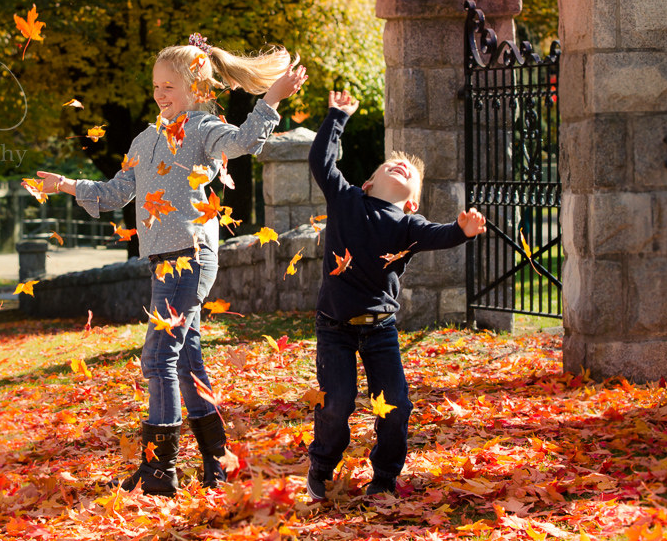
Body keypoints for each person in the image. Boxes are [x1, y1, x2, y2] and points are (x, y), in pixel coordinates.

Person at [33, 33, 307, 496]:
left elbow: (244, 143)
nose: (160, 95)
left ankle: (160, 469)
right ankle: (218, 461)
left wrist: (271, 101)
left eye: (169, 87)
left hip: (192, 256)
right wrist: (66, 185)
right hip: (161, 263)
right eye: (156, 86)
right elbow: (117, 193)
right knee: (186, 364)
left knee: (158, 357)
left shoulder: (203, 128)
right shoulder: (144, 139)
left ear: (197, 89)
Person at [305, 89, 486, 501]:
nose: (400, 166)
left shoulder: (409, 225)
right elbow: (321, 162)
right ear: (369, 182)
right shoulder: (346, 199)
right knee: (337, 403)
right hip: (334, 327)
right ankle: (322, 464)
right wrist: (337, 116)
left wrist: (462, 230)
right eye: (391, 164)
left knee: (396, 405)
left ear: (413, 201)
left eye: (408, 172)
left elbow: (440, 234)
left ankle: (384, 475)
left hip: (380, 330)